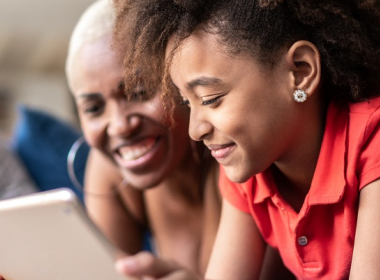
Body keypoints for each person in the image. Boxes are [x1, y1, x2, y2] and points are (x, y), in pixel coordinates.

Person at [111, 0, 380, 279]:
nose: (195, 130)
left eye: (211, 99)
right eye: (188, 103)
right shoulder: (249, 165)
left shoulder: (373, 139)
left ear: (301, 71)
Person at [65, 0, 222, 276]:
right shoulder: (109, 172)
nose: (119, 127)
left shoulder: (237, 157)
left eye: (139, 92)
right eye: (93, 109)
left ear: (181, 82)